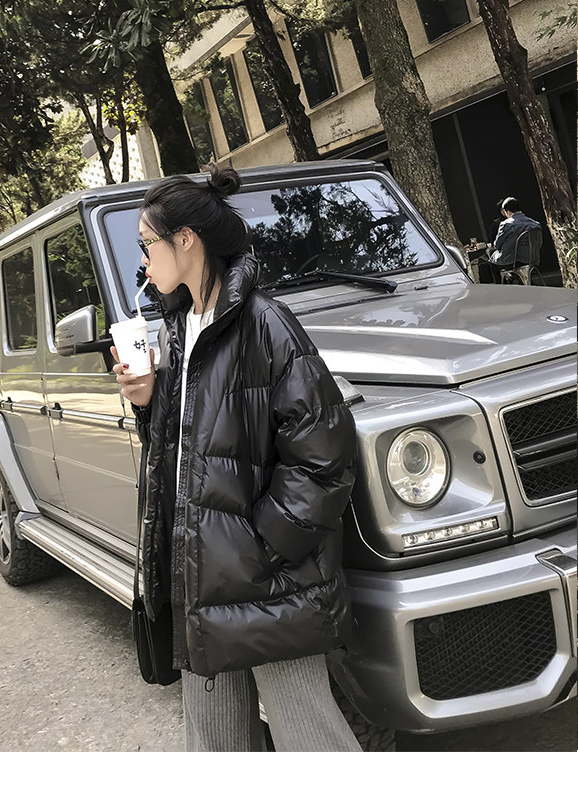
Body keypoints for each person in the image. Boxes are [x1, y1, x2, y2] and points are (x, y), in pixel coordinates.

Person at [110, 164, 362, 752]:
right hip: (198, 575)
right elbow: (184, 449)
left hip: (267, 582)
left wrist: (266, 546)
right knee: (213, 743)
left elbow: (325, 450)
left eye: (147, 244)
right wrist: (149, 403)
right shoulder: (178, 329)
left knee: (309, 736)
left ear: (185, 240)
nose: (143, 261)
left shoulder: (264, 323)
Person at [489, 197, 542, 280]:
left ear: (507, 211)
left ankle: (503, 285)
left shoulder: (506, 224)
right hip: (532, 259)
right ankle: (523, 281)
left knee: (491, 259)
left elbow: (497, 245)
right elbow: (539, 243)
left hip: (511, 261)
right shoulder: (535, 224)